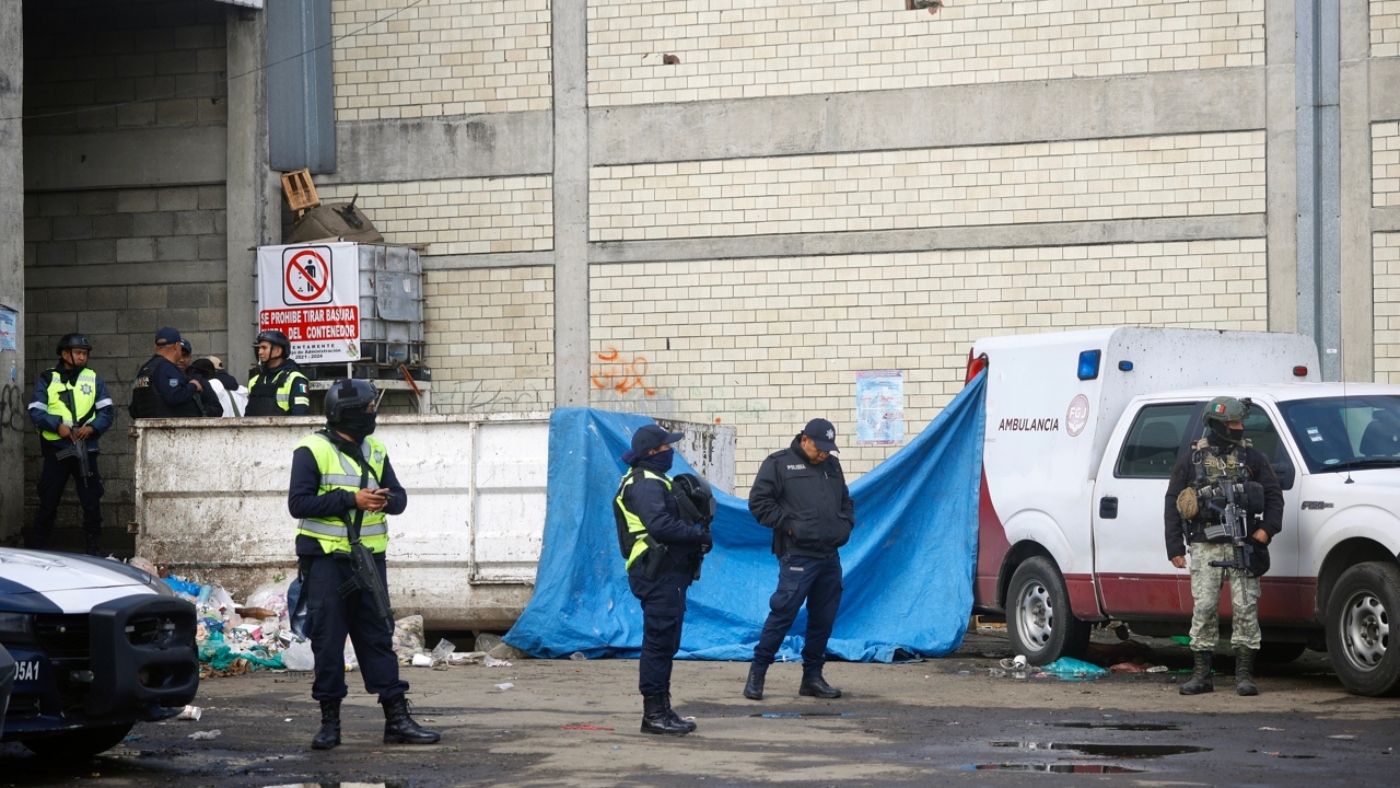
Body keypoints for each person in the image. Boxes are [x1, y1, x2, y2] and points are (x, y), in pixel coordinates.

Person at [287, 378, 438, 750]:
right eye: (368, 409)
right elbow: (299, 505)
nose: (373, 415)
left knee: (376, 641)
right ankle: (329, 723)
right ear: (348, 413)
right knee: (328, 643)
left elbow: (400, 498)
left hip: (368, 562)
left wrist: (384, 500)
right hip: (326, 564)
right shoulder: (312, 449)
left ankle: (397, 720)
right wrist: (351, 500)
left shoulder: (375, 449)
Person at [1165, 396, 1284, 697]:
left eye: (1241, 422)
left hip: (1242, 544)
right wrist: (1174, 546)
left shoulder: (1252, 458)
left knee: (1246, 609)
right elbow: (1173, 502)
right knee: (1203, 609)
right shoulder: (1191, 460)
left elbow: (1273, 496)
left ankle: (1244, 675)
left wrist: (1265, 531)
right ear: (1217, 425)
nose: (1239, 427)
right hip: (1204, 545)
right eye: (1233, 423)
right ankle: (1201, 675)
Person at [744, 418, 855, 701]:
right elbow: (758, 503)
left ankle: (812, 678)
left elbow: (845, 500)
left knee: (823, 618)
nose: (825, 454)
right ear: (805, 440)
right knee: (783, 614)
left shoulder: (831, 465)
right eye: (820, 448)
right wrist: (791, 526)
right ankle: (757, 675)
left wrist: (845, 523)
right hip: (797, 555)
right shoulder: (779, 463)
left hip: (829, 555)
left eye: (829, 449)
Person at [612, 422, 711, 735]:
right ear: (652, 452)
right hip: (655, 570)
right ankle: (653, 714)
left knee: (666, 640)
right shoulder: (644, 483)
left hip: (665, 570)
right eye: (666, 447)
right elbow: (660, 525)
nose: (671, 451)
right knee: (659, 641)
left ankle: (663, 709)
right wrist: (696, 537)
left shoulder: (656, 479)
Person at [26, 333, 115, 554]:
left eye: (85, 353)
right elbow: (35, 410)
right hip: (58, 448)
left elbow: (107, 411)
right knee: (49, 499)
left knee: (91, 500)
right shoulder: (48, 378)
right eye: (78, 353)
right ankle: (38, 546)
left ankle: (93, 545)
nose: (82, 357)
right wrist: (57, 426)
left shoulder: (93, 378)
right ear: (65, 353)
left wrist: (93, 428)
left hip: (85, 447)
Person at [129, 327, 204, 418]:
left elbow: (134, 410)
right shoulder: (167, 368)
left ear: (156, 347)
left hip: (149, 428)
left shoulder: (145, 369)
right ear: (177, 346)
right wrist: (193, 386)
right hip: (171, 429)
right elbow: (175, 397)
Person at [247, 329, 310, 416]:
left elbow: (301, 418)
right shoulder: (254, 381)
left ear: (278, 351)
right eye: (259, 348)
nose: (260, 352)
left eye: (264, 348)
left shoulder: (295, 380)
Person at [179, 340, 223, 417]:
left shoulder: (198, 379)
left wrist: (198, 409)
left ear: (190, 357)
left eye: (185, 356)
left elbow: (217, 409)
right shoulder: (163, 376)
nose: (182, 360)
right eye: (178, 356)